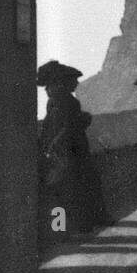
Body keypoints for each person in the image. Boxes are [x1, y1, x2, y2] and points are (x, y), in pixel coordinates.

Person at [38, 60, 108, 235]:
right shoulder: (64, 99)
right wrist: (83, 120)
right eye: (73, 80)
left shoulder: (57, 99)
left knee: (65, 191)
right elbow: (67, 126)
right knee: (69, 190)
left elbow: (55, 126)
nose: (77, 84)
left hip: (66, 149)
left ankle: (62, 229)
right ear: (62, 81)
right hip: (67, 150)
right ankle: (69, 228)